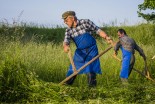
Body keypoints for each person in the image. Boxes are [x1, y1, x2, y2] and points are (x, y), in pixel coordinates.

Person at [62, 11, 113, 87]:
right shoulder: (68, 30)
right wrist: (65, 46)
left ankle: (92, 91)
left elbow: (98, 30)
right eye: (64, 21)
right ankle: (64, 88)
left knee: (91, 70)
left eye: (66, 20)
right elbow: (66, 40)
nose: (65, 22)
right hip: (80, 53)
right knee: (72, 70)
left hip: (91, 50)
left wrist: (106, 37)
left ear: (72, 18)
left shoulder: (85, 22)